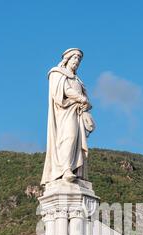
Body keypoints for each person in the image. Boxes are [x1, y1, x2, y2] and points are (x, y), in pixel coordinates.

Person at [41, 48, 95, 185]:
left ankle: (75, 171)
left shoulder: (78, 80)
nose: (77, 61)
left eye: (79, 59)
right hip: (64, 111)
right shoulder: (57, 73)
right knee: (68, 137)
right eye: (74, 58)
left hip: (76, 112)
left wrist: (85, 104)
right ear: (67, 59)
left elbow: (85, 98)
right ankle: (65, 169)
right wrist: (81, 98)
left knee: (76, 140)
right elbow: (64, 90)